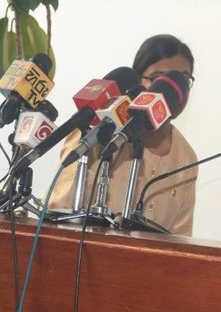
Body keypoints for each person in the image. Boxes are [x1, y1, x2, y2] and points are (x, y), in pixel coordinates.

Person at [49, 34, 198, 236]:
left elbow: (180, 240)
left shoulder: (186, 157)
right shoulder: (101, 130)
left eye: (183, 80)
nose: (173, 90)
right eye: (159, 79)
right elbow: (59, 213)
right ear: (138, 84)